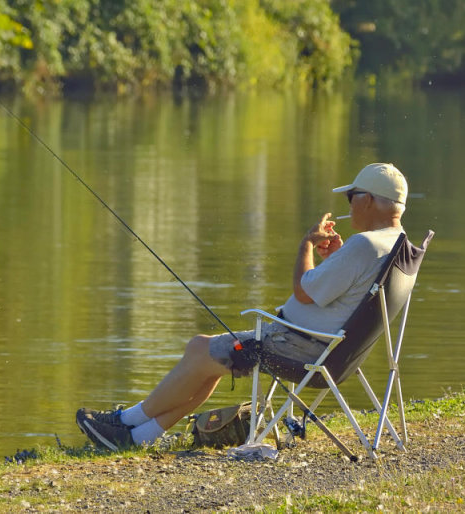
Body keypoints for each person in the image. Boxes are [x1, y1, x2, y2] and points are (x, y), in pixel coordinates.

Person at [76, 162, 409, 450]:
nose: (348, 205)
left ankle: (126, 422)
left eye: (352, 197)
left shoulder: (364, 243)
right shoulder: (395, 245)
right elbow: (353, 293)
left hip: (300, 349)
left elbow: (303, 291)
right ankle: (138, 436)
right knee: (207, 357)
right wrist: (335, 260)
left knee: (199, 350)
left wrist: (306, 245)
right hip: (331, 352)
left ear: (368, 200)